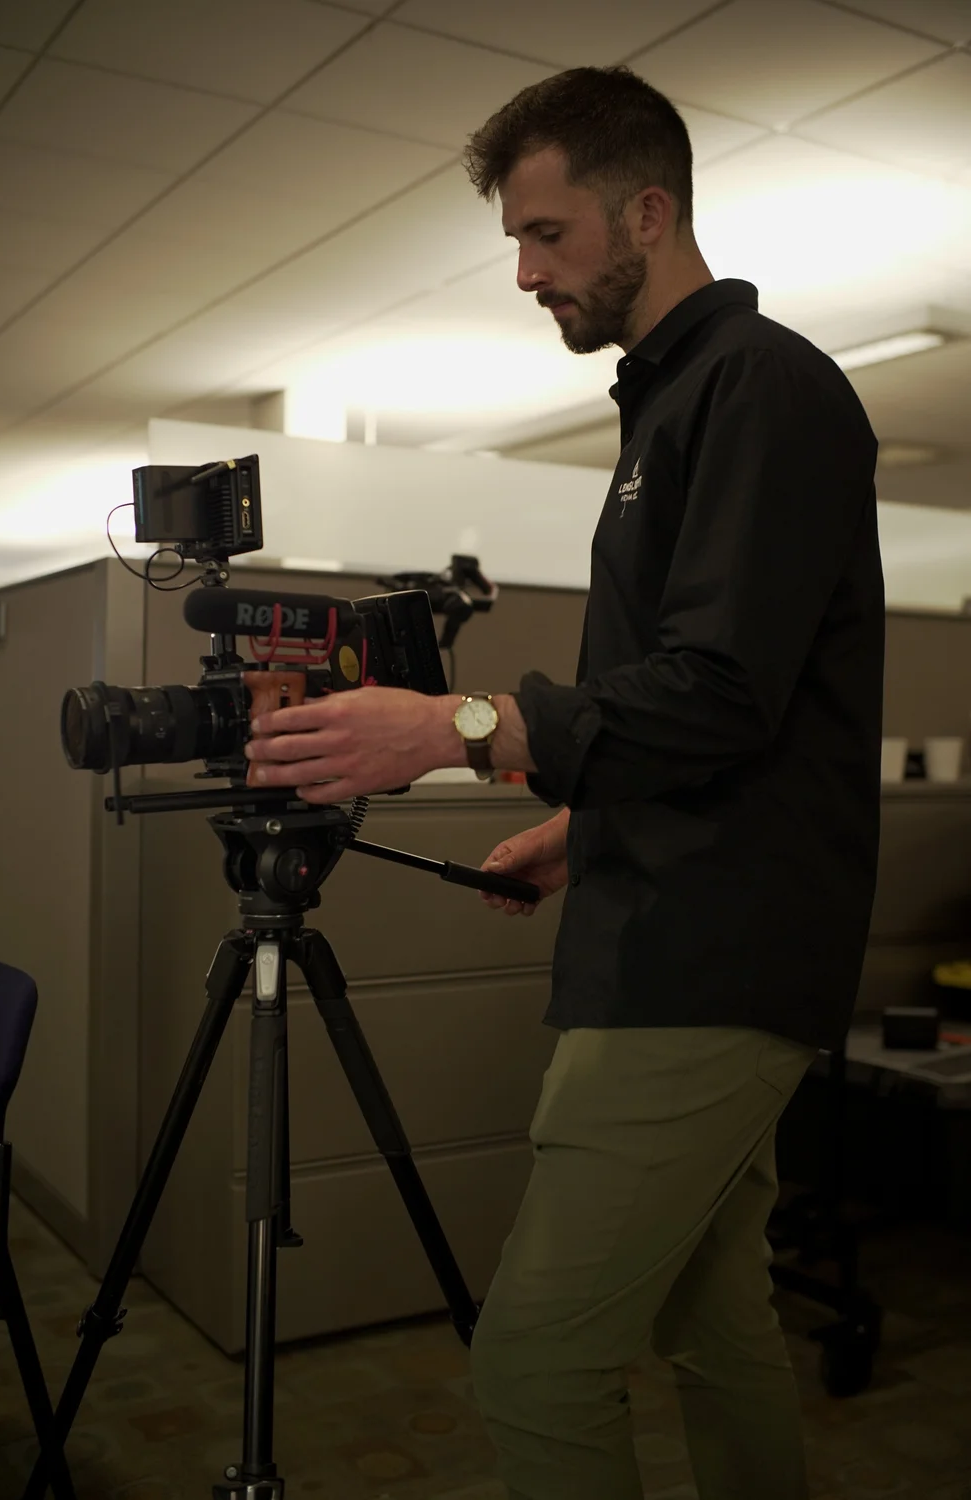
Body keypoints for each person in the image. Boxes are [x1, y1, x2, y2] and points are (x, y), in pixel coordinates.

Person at [243, 65, 884, 1500]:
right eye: (517, 243)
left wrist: (454, 729)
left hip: (706, 964)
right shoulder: (668, 406)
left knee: (533, 1362)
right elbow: (704, 711)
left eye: (548, 236)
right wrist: (580, 829)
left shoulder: (764, 386)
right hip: (657, 923)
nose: (525, 272)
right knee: (715, 1329)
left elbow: (722, 693)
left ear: (646, 210)